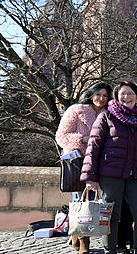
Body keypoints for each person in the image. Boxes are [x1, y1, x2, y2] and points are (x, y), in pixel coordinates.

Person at [81, 81, 137, 254]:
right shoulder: (106, 116)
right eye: (123, 93)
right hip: (110, 173)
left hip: (136, 174)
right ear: (117, 96)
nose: (126, 97)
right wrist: (90, 177)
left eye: (130, 93)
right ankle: (110, 250)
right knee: (111, 216)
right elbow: (93, 147)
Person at [56, 82, 112, 254]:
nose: (101, 99)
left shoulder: (109, 114)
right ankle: (83, 245)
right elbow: (61, 136)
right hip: (79, 162)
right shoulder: (76, 110)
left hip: (102, 163)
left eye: (105, 96)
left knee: (99, 202)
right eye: (98, 94)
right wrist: (84, 139)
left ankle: (76, 236)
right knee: (80, 202)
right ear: (91, 94)